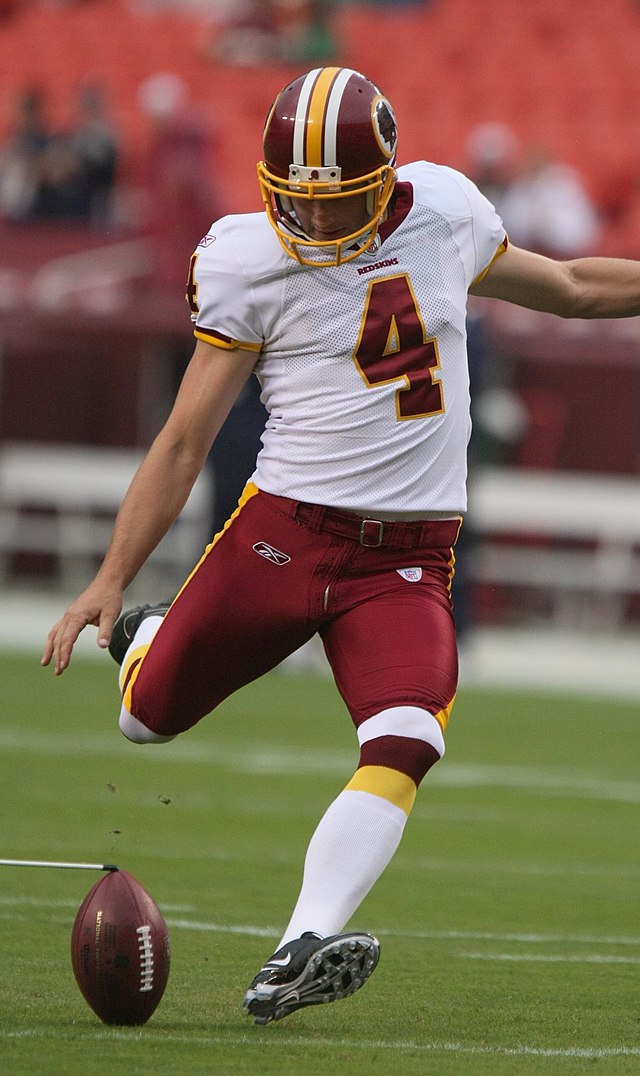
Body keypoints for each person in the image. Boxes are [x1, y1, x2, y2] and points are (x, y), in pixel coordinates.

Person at [42, 66, 640, 1025]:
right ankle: (148, 634)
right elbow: (187, 439)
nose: (316, 228)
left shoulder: (444, 212)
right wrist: (110, 581)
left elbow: (568, 285)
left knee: (410, 734)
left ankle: (299, 947)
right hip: (284, 532)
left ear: (389, 179)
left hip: (404, 558)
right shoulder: (245, 258)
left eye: (340, 205)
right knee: (143, 720)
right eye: (300, 206)